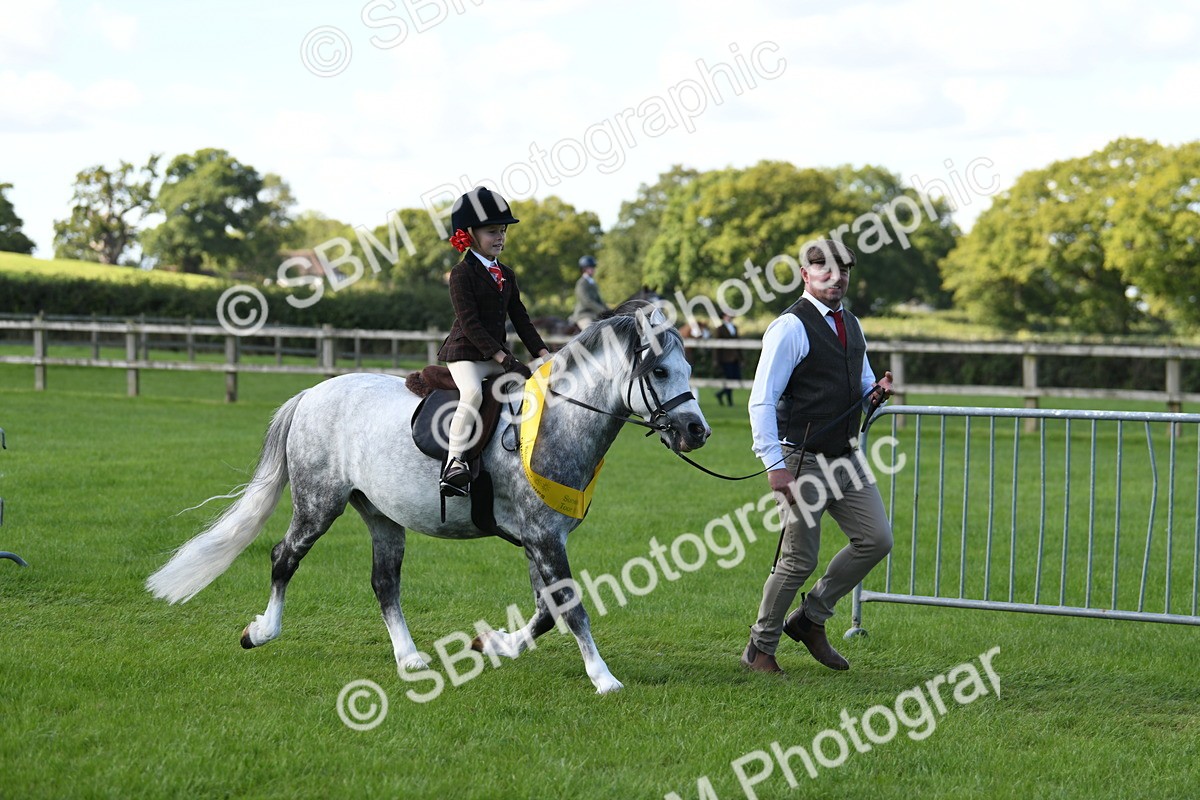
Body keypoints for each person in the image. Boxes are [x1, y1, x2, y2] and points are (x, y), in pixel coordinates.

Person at [741, 239, 895, 674]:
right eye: (824, 268)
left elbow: (862, 386)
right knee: (798, 559)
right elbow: (761, 401)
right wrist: (774, 466)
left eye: (843, 269)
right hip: (801, 459)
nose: (836, 276)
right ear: (806, 275)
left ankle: (811, 618)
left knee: (877, 539)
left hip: (847, 458)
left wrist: (875, 394)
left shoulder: (853, 324)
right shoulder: (789, 327)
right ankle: (759, 648)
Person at [437, 187, 550, 497]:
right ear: (470, 235)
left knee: (526, 394)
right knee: (472, 394)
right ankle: (454, 464)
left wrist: (543, 354)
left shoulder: (507, 274)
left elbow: (521, 318)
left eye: (502, 231)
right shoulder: (461, 274)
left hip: (496, 355)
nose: (500, 237)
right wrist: (504, 359)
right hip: (465, 354)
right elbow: (471, 325)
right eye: (492, 232)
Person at [569, 255, 608, 329]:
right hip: (584, 315)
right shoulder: (581, 283)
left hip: (594, 314)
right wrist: (602, 310)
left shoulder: (592, 283)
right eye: (591, 267)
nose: (593, 269)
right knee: (591, 331)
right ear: (584, 269)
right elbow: (587, 302)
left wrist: (610, 310)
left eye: (593, 267)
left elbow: (599, 300)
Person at [712, 311, 742, 407]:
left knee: (736, 378)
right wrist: (716, 359)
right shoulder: (720, 329)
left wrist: (742, 358)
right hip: (726, 358)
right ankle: (730, 402)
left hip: (735, 358)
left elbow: (738, 343)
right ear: (724, 317)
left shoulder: (734, 328)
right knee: (730, 379)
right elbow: (717, 345)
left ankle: (720, 394)